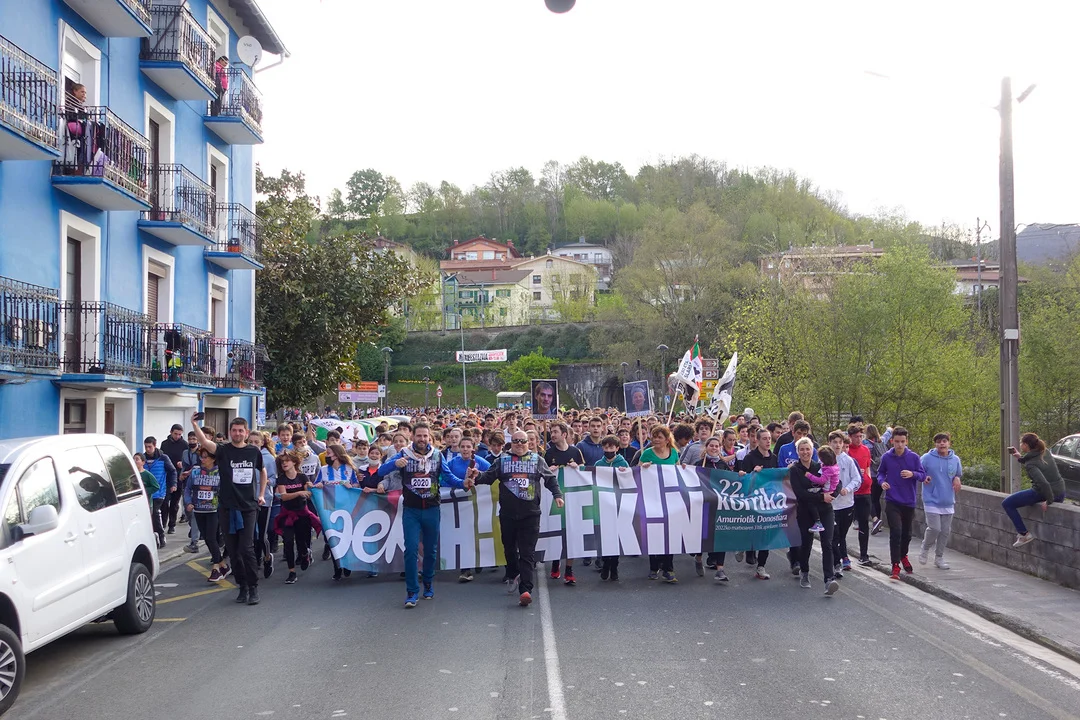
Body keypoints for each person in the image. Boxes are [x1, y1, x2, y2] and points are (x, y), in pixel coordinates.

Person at [465, 431, 564, 607]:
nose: (519, 444)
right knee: (509, 549)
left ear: (528, 443)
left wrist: (557, 495)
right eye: (516, 441)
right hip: (508, 514)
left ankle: (525, 590)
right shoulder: (502, 460)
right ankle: (512, 574)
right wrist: (476, 475)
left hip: (530, 514)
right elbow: (488, 477)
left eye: (522, 441)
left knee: (527, 553)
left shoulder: (537, 460)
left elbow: (550, 479)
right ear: (511, 443)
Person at [378, 424, 466, 608]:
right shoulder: (403, 454)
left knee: (431, 550)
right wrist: (394, 464)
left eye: (425, 436)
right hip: (411, 510)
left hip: (432, 509)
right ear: (412, 436)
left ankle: (428, 583)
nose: (422, 439)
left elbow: (449, 477)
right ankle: (412, 592)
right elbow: (380, 471)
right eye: (419, 435)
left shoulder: (437, 455)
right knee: (410, 549)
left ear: (429, 437)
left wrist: (464, 483)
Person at [192, 414, 268, 606]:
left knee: (246, 548)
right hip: (227, 508)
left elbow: (262, 471)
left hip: (248, 507)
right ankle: (242, 587)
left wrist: (261, 494)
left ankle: (253, 587)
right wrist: (194, 424)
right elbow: (204, 442)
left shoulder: (253, 451)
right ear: (229, 432)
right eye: (234, 430)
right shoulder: (223, 450)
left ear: (246, 432)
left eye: (241, 430)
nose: (237, 433)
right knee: (233, 551)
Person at [789, 438, 840, 595]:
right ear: (798, 452)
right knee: (806, 543)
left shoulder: (820, 466)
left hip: (825, 510)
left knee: (827, 543)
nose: (805, 452)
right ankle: (804, 571)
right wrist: (821, 497)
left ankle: (829, 579)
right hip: (805, 511)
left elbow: (838, 482)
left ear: (813, 451)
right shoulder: (795, 470)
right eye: (802, 449)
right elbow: (800, 493)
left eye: (808, 449)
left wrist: (832, 495)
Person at [877, 427, 926, 580]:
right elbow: (880, 473)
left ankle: (903, 555)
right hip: (892, 500)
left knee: (907, 534)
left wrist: (912, 474)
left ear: (906, 442)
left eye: (902, 442)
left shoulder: (914, 457)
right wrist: (882, 482)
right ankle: (895, 565)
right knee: (896, 532)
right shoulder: (886, 457)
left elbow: (923, 475)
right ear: (892, 441)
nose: (899, 445)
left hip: (908, 501)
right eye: (897, 441)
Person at [1003, 433, 1065, 548]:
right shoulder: (1045, 451)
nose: (1020, 444)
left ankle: (1024, 534)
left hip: (1044, 492)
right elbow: (1035, 461)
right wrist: (1020, 458)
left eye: (1021, 443)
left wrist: (1049, 500)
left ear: (1026, 445)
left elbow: (1043, 483)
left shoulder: (1030, 464)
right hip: (1060, 491)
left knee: (1007, 503)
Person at [638, 425, 680, 583]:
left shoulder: (674, 453)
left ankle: (668, 568)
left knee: (669, 534)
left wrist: (683, 468)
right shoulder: (647, 453)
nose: (655, 439)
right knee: (654, 532)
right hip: (652, 498)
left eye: (659, 437)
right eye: (654, 436)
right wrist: (643, 468)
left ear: (667, 440)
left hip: (670, 499)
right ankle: (653, 567)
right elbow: (636, 473)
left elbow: (678, 472)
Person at [544, 421, 584, 584]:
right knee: (556, 531)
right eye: (551, 432)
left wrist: (578, 467)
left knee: (572, 533)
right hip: (554, 499)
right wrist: (548, 470)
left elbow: (584, 470)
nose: (552, 435)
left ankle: (569, 569)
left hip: (573, 498)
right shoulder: (548, 453)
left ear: (564, 434)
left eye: (555, 432)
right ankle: (555, 562)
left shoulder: (575, 451)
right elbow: (542, 474)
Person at [314, 445, 361, 581]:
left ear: (336, 454)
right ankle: (337, 567)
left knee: (346, 535)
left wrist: (349, 485)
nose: (326, 455)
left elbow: (356, 486)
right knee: (332, 537)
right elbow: (315, 485)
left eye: (329, 453)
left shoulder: (349, 469)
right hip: (329, 507)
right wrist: (319, 486)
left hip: (346, 507)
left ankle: (347, 564)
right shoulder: (323, 470)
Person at [274, 451, 320, 585]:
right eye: (282, 462)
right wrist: (299, 492)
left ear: (294, 462)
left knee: (301, 541)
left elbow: (308, 492)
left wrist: (310, 488)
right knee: (288, 542)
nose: (284, 464)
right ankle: (292, 572)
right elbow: (284, 496)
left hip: (302, 513)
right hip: (287, 514)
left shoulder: (302, 477)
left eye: (287, 461)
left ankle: (305, 554)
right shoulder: (281, 479)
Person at [183, 446, 228, 582]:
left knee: (211, 537)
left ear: (213, 459)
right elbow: (187, 489)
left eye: (205, 457)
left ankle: (216, 568)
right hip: (198, 510)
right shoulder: (196, 471)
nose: (202, 459)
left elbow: (225, 490)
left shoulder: (220, 472)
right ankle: (223, 565)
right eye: (201, 457)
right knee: (207, 539)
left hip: (214, 510)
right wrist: (188, 502)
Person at [449, 437, 490, 582]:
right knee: (464, 535)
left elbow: (492, 475)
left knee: (477, 532)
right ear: (459, 448)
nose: (465, 449)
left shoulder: (481, 462)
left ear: (473, 448)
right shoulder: (453, 463)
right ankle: (466, 569)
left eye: (468, 447)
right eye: (463, 447)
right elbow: (443, 478)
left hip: (477, 503)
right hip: (459, 504)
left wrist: (477, 477)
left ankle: (479, 561)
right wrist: (461, 482)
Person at [920, 432, 963, 568]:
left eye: (944, 441)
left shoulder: (955, 459)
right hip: (931, 499)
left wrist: (957, 478)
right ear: (935, 444)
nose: (941, 444)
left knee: (945, 531)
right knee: (934, 528)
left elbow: (957, 474)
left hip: (948, 499)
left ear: (949, 443)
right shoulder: (927, 458)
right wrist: (923, 477)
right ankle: (925, 548)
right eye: (938, 442)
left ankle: (939, 558)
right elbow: (918, 471)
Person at [595, 434, 630, 581]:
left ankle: (614, 566)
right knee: (605, 536)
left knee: (615, 537)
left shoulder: (623, 463)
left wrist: (625, 473)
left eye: (611, 447)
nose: (608, 450)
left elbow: (629, 481)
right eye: (606, 447)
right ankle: (605, 564)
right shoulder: (598, 464)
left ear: (617, 448)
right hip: (603, 504)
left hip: (617, 504)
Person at [829, 433, 862, 576]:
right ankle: (837, 563)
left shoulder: (848, 460)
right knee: (834, 536)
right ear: (829, 443)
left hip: (847, 504)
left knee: (841, 535)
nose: (837, 445)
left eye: (839, 442)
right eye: (834, 442)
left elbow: (857, 479)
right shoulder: (825, 460)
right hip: (831, 506)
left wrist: (847, 489)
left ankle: (843, 557)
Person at [249, 431, 277, 580]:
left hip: (264, 499)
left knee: (261, 535)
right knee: (251, 535)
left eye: (256, 442)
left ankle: (267, 557)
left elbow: (274, 479)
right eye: (250, 442)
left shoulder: (268, 458)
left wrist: (264, 481)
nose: (253, 444)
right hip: (247, 500)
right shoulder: (244, 456)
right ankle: (255, 561)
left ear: (262, 443)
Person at [846, 424, 874, 566]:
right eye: (856, 437)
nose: (859, 439)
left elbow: (867, 467)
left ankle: (864, 555)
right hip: (851, 493)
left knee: (864, 524)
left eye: (860, 436)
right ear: (850, 437)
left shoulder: (865, 449)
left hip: (865, 491)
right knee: (845, 524)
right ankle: (843, 554)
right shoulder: (847, 451)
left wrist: (868, 480)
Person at [143, 436, 177, 549]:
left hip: (159, 492)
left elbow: (172, 471)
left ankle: (161, 536)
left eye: (150, 447)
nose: (147, 449)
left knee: (155, 514)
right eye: (146, 447)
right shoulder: (142, 458)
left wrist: (173, 484)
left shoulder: (163, 458)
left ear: (155, 445)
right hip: (146, 493)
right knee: (149, 516)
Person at [160, 424, 188, 535]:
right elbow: (162, 459)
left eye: (179, 434)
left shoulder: (184, 445)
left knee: (175, 503)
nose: (177, 436)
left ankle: (172, 525)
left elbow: (188, 461)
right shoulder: (164, 444)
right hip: (166, 477)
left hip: (179, 476)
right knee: (165, 502)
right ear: (171, 432)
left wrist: (183, 463)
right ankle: (163, 524)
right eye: (175, 434)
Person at [865, 424, 888, 535]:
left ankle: (876, 521)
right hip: (882, 475)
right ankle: (878, 523)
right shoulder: (881, 442)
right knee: (877, 500)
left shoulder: (866, 444)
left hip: (872, 474)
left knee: (871, 499)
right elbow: (888, 433)